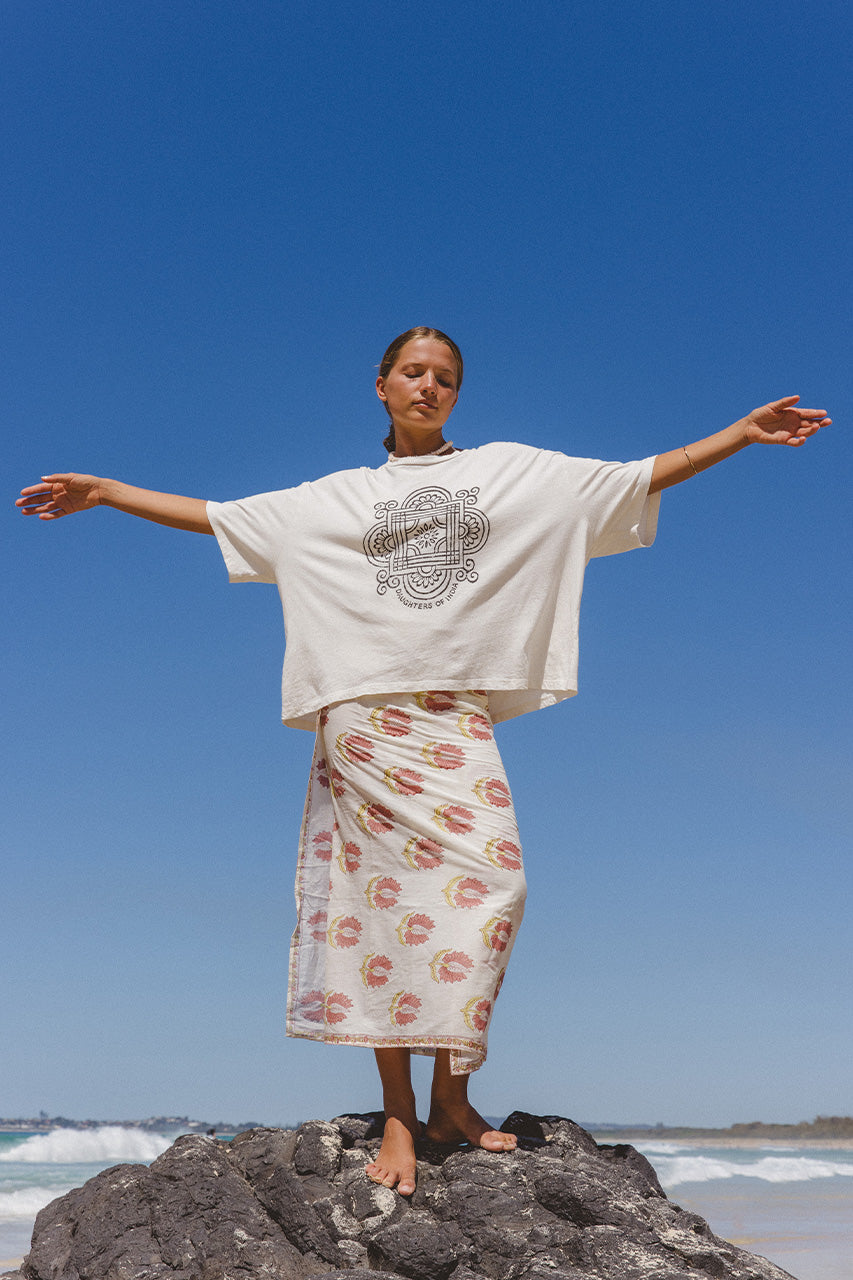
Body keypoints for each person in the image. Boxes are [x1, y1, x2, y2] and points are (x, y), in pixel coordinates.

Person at [17, 327, 831, 1197]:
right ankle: (402, 1118)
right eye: (413, 372)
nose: (429, 387)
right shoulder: (331, 498)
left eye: (445, 378)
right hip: (364, 716)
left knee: (494, 888)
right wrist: (104, 490)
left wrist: (736, 437)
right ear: (380, 385)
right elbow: (216, 516)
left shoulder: (509, 474)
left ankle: (453, 1099)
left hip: (455, 717)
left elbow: (631, 478)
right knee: (384, 911)